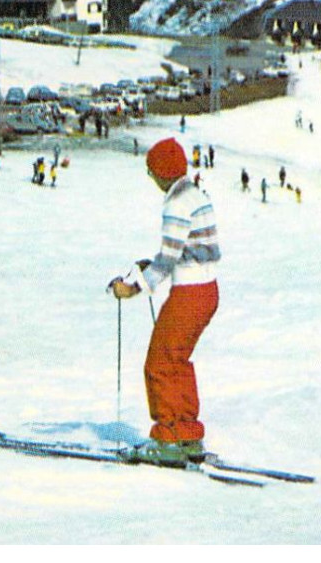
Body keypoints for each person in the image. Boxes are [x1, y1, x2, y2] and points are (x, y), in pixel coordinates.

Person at [108, 137, 220, 467]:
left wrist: (133, 288)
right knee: (177, 361)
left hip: (190, 293)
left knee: (159, 363)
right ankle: (187, 433)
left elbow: (168, 260)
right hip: (207, 289)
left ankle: (168, 439)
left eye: (150, 170)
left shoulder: (176, 204)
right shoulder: (196, 193)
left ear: (161, 172)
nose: (149, 177)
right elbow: (187, 249)